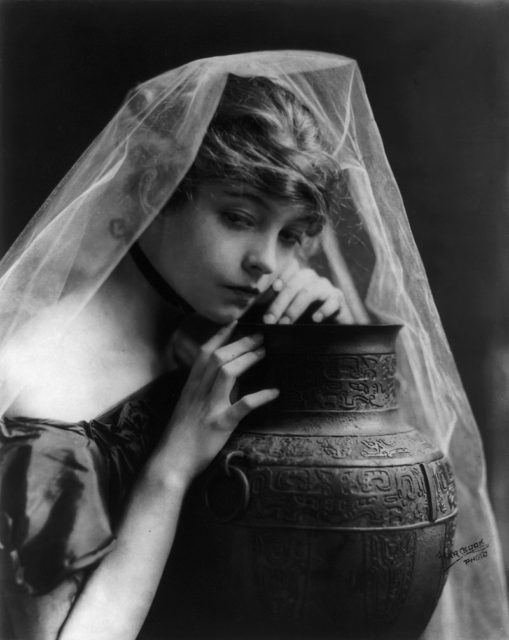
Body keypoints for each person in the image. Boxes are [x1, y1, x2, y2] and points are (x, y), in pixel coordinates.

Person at [0, 51, 507, 640]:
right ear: (152, 192)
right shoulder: (40, 386)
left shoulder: (209, 338)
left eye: (291, 236)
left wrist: (328, 358)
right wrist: (171, 467)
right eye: (238, 216)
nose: (267, 261)